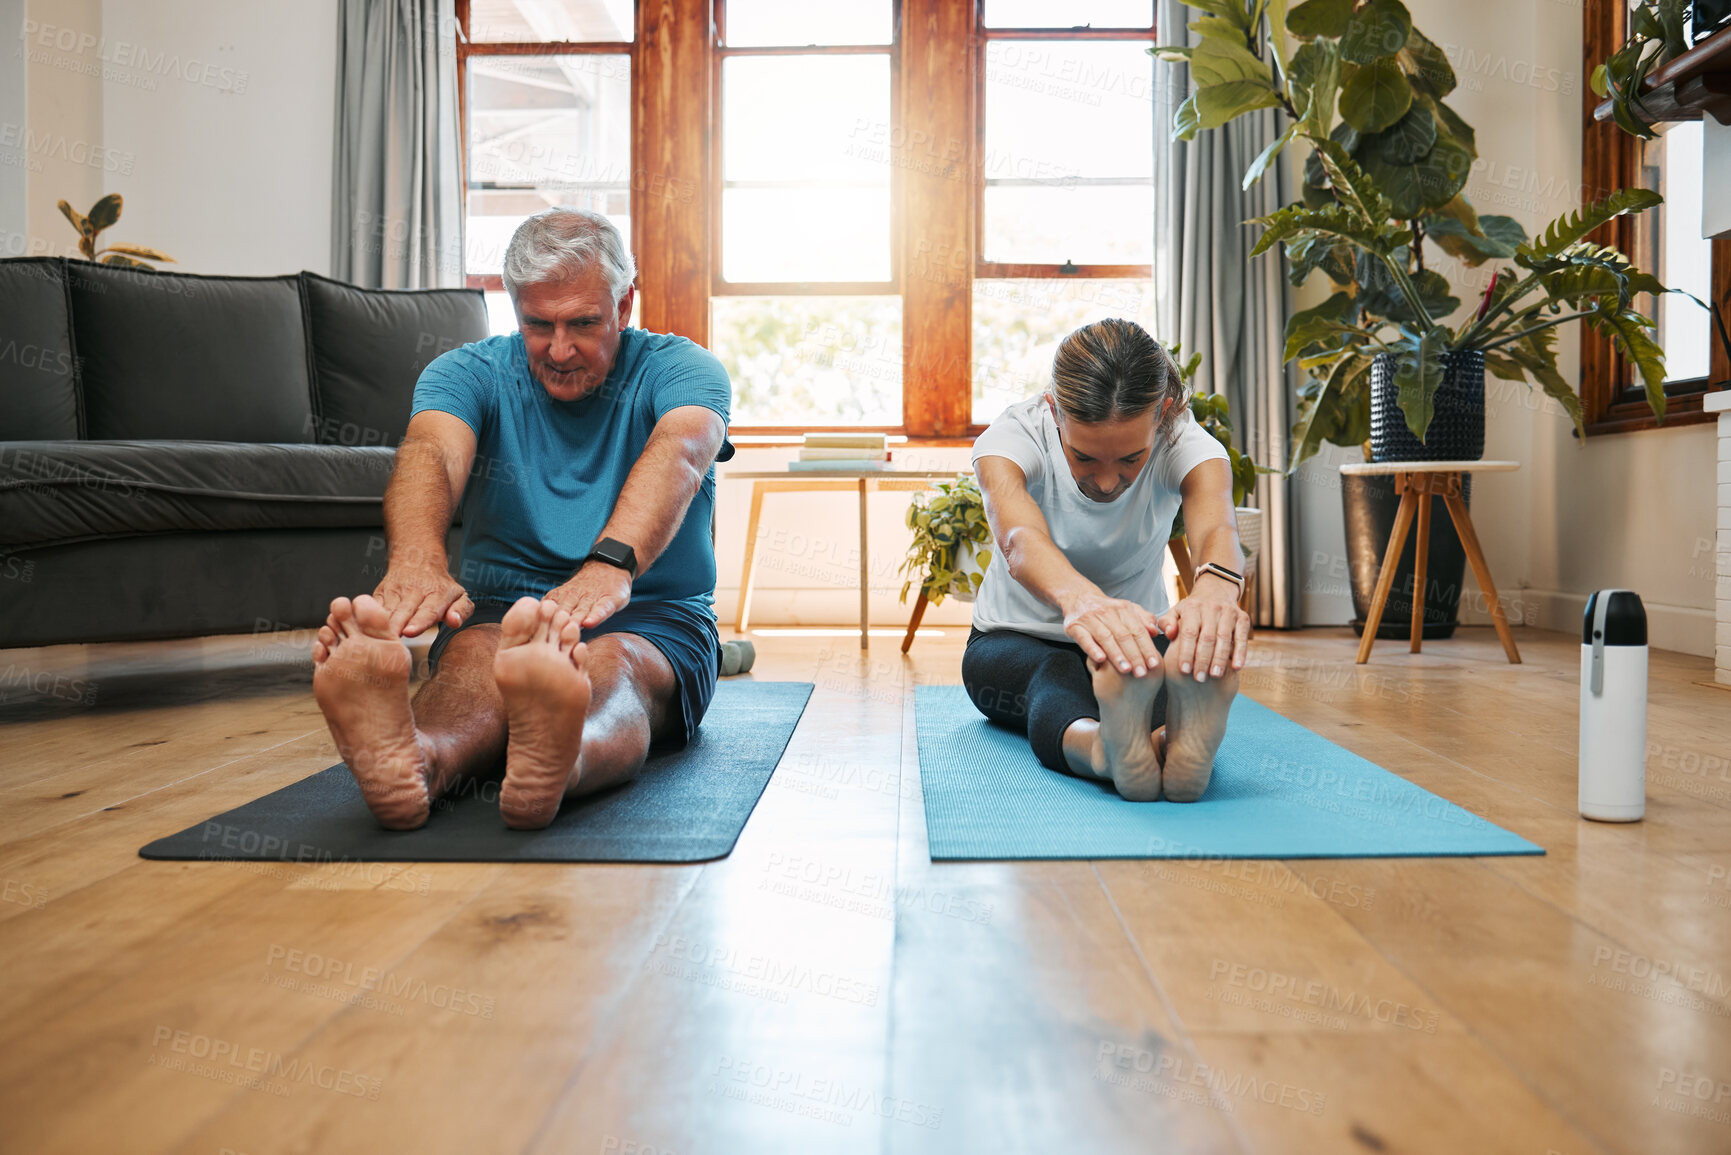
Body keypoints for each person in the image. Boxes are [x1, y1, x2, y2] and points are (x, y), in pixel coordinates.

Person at [310, 208, 732, 831]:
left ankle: (564, 757)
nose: (560, 349)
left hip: (649, 614)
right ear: (514, 311)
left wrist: (610, 565)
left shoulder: (684, 369)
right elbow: (430, 451)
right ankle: (419, 763)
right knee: (476, 659)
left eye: (584, 323)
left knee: (619, 664)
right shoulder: (465, 373)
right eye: (539, 325)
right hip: (501, 611)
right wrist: (418, 559)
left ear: (623, 307)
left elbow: (683, 451)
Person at [964, 318, 1249, 802]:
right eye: (1085, 458)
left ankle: (1152, 742)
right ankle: (1112, 748)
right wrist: (1083, 603)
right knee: (1054, 677)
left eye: (1130, 460)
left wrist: (1216, 594)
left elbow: (1217, 527)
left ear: (1161, 414)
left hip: (1137, 645)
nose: (1105, 480)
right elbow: (1018, 536)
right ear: (1054, 411)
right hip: (1014, 641)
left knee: (1157, 673)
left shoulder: (1187, 442)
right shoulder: (1011, 437)